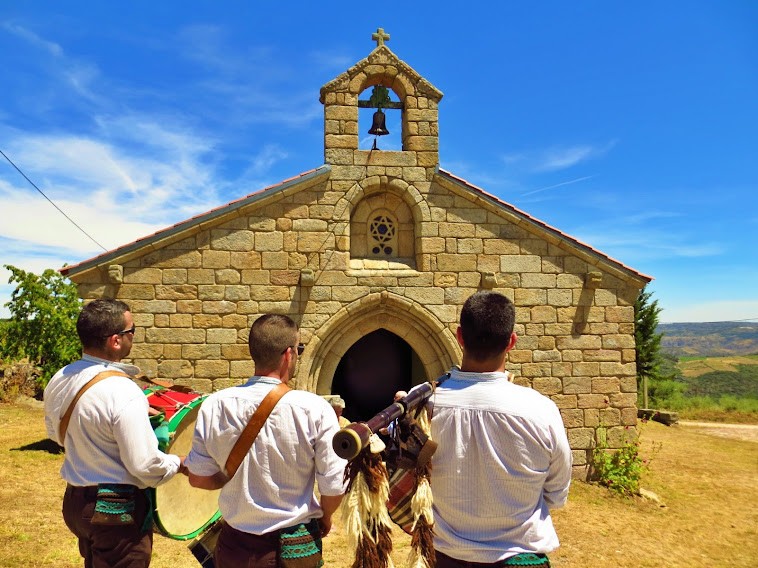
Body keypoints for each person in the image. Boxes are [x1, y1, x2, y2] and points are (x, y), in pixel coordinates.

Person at [185, 314, 346, 568]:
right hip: (293, 547)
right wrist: (326, 517)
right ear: (288, 355)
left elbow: (197, 478)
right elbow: (334, 484)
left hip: (234, 546)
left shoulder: (214, 405)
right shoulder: (314, 408)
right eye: (299, 349)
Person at [427, 291, 572, 567]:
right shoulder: (541, 410)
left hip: (447, 558)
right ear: (512, 342)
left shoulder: (426, 407)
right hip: (521, 557)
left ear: (459, 337)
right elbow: (556, 492)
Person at [44, 298, 185, 568]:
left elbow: (55, 435)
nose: (134, 336)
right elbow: (145, 466)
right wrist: (177, 463)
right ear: (116, 341)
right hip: (114, 512)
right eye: (132, 331)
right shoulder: (123, 391)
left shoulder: (61, 376)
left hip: (76, 503)